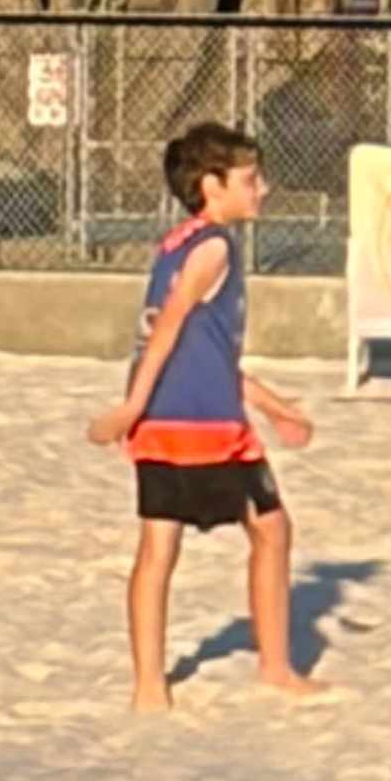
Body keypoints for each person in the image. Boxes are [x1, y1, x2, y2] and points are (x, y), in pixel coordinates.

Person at [90, 120, 321, 712]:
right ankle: (274, 668)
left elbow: (205, 355)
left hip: (169, 423)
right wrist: (128, 408)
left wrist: (275, 407)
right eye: (250, 179)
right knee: (271, 530)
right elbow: (165, 332)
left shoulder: (175, 245)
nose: (262, 188)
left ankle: (149, 688)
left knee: (158, 548)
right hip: (207, 429)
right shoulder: (215, 247)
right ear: (212, 187)